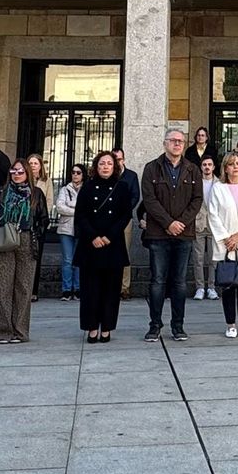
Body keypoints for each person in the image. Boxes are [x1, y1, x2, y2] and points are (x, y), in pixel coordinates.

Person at [140, 128, 202, 343]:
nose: (177, 144)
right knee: (157, 281)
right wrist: (168, 223)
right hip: (158, 233)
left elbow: (197, 200)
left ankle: (178, 326)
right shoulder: (151, 169)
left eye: (181, 141)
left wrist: (181, 223)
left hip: (184, 234)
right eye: (173, 140)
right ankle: (155, 325)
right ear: (164, 143)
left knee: (180, 282)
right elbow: (149, 200)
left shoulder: (193, 169)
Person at [77, 150, 134, 343]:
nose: (105, 167)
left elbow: (125, 214)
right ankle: (91, 327)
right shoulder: (87, 187)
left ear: (115, 166)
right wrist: (93, 236)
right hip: (90, 245)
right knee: (90, 290)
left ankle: (107, 328)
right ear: (96, 166)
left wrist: (110, 235)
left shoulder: (122, 187)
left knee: (111, 290)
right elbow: (80, 215)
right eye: (102, 163)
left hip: (113, 244)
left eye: (109, 163)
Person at [0, 160, 47, 343]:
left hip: (26, 238)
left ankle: (20, 330)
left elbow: (43, 218)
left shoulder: (36, 194)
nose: (17, 174)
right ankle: (2, 330)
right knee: (2, 286)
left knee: (24, 287)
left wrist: (35, 235)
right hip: (4, 237)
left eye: (21, 171)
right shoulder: (0, 192)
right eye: (14, 171)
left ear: (27, 173)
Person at [206, 152, 238, 338]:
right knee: (228, 285)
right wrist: (226, 238)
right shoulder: (217, 188)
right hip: (225, 244)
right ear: (225, 168)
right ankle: (230, 324)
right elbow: (213, 215)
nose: (235, 167)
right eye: (231, 164)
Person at [54, 162, 84, 302]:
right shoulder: (64, 189)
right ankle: (66, 289)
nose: (75, 175)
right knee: (67, 260)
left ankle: (77, 289)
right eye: (73, 172)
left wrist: (71, 208)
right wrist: (77, 211)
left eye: (78, 172)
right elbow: (60, 207)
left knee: (78, 260)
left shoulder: (86, 189)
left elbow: (88, 208)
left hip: (81, 229)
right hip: (66, 229)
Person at [113, 146, 139, 298]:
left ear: (124, 160)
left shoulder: (131, 176)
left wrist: (124, 211)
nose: (117, 162)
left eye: (119, 159)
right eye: (114, 159)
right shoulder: (107, 175)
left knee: (124, 253)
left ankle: (124, 287)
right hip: (107, 221)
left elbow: (135, 196)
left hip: (124, 220)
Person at [25, 153, 51, 300]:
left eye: (36, 163)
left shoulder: (46, 181)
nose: (33, 166)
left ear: (40, 165)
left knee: (36, 258)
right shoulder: (22, 179)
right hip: (24, 224)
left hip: (38, 223)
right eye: (31, 163)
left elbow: (49, 200)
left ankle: (33, 291)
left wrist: (43, 221)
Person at [193, 155, 218, 299]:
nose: (207, 167)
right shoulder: (196, 183)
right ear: (201, 167)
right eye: (204, 164)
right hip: (199, 223)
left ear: (214, 167)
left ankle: (212, 287)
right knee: (198, 258)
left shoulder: (219, 184)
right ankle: (200, 287)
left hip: (214, 225)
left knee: (213, 259)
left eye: (209, 164)